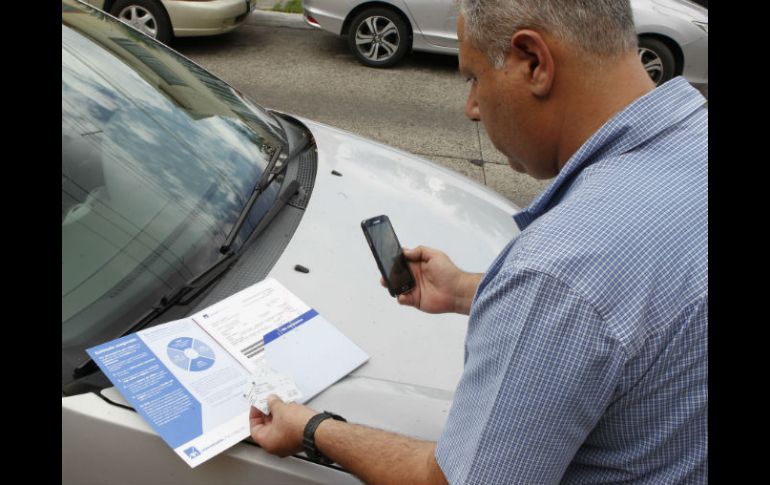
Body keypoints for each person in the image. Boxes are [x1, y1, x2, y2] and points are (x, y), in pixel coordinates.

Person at [249, 0, 708, 483]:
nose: (470, 109)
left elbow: (453, 480)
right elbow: (637, 307)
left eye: (473, 78)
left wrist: (312, 428)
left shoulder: (556, 274)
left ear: (533, 62)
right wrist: (467, 289)